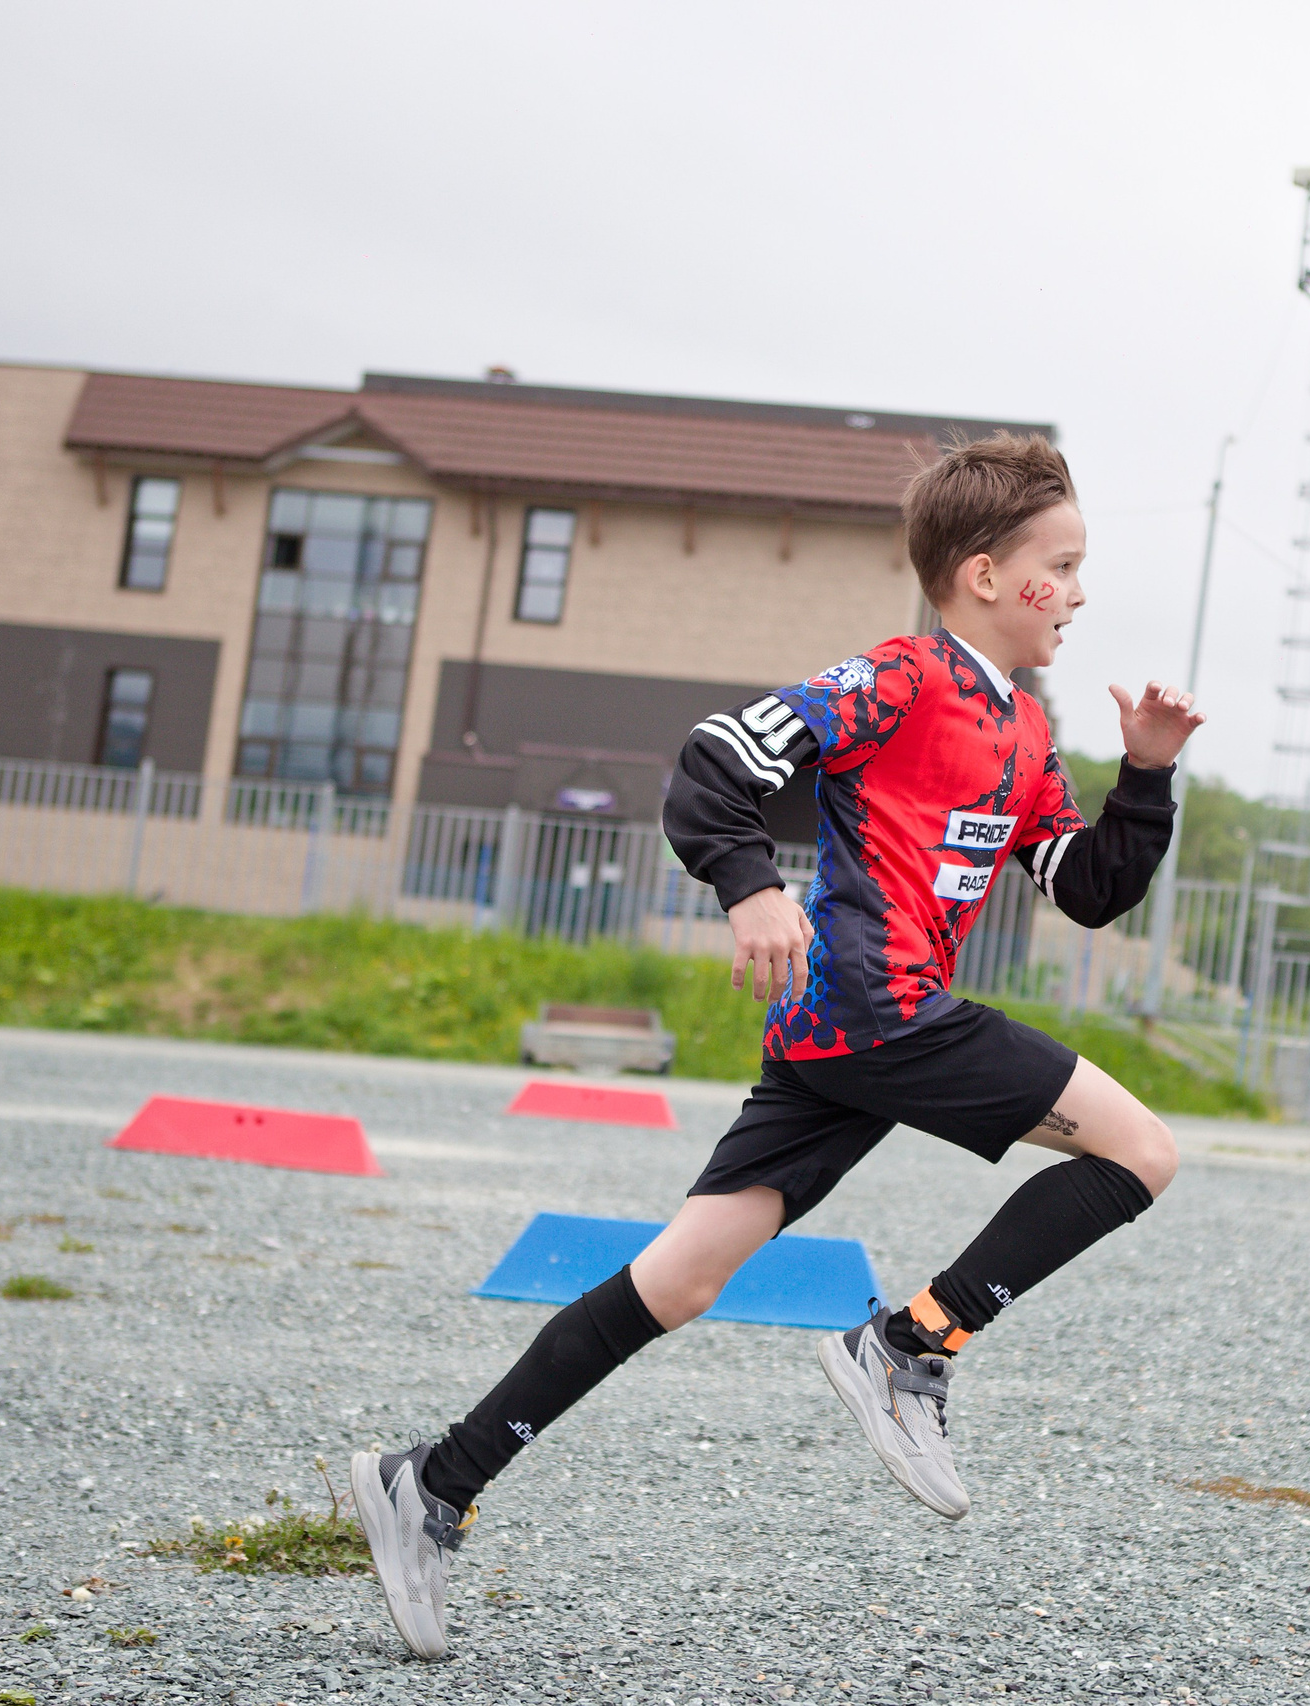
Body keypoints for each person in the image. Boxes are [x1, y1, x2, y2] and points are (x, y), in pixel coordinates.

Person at [351, 433, 1201, 1661]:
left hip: (834, 1040)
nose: (1076, 592)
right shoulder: (900, 676)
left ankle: (432, 1476)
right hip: (876, 1007)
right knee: (1143, 1150)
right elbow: (715, 760)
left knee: (681, 1278)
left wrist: (1148, 778)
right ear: (979, 574)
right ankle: (910, 1341)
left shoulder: (1022, 731)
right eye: (1058, 566)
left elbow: (1086, 887)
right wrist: (749, 885)